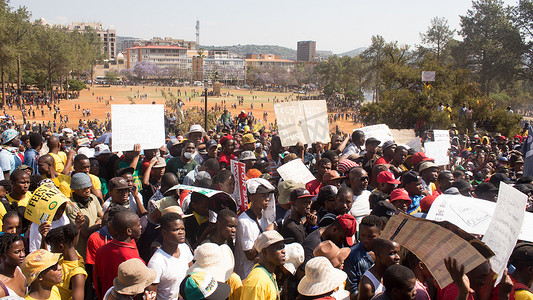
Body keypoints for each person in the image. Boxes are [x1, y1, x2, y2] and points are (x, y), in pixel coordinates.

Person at [94, 210, 142, 299]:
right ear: (129, 231)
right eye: (138, 225)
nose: (141, 227)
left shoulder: (101, 250)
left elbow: (98, 278)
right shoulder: (133, 259)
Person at [147, 212, 193, 300]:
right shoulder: (156, 262)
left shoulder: (184, 248)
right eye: (176, 230)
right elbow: (151, 295)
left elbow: (192, 274)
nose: (181, 232)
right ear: (164, 233)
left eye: (182, 229)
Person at [235, 178, 275, 278]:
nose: (267, 199)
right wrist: (266, 235)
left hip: (263, 271)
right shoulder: (244, 221)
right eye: (263, 196)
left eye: (267, 196)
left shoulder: (265, 216)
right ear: (252, 198)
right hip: (248, 274)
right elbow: (250, 254)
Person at [65, 172, 103, 258]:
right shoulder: (71, 206)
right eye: (83, 188)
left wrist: (100, 221)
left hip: (94, 249)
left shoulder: (93, 199)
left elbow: (102, 216)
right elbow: (85, 232)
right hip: (82, 252)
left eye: (89, 187)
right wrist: (99, 223)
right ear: (75, 189)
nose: (87, 190)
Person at [344, 215, 384, 296]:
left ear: (380, 234)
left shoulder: (387, 252)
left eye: (371, 237)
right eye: (362, 235)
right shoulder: (351, 256)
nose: (365, 240)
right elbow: (352, 290)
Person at [45, 224, 87, 300]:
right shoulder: (64, 255)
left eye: (51, 247)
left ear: (60, 247)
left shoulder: (77, 274)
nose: (51, 250)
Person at [241, 231, 286, 300]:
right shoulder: (257, 281)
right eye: (279, 248)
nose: (284, 251)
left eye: (283, 247)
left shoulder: (269, 274)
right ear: (264, 252)